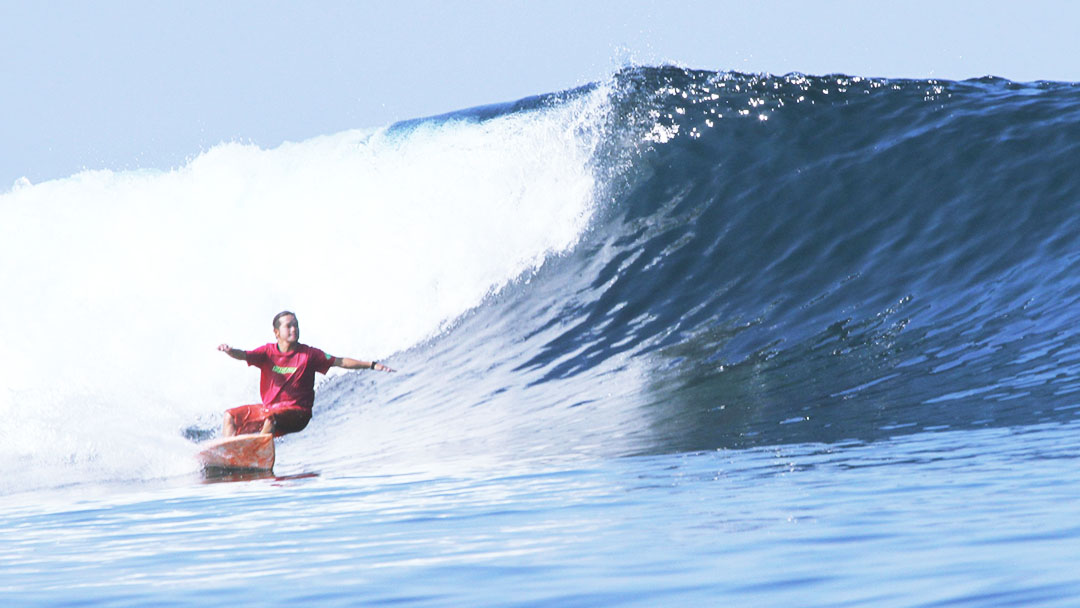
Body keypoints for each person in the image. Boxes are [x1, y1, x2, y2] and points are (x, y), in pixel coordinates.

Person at [217, 310, 394, 437]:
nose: (294, 329)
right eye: (289, 326)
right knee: (230, 416)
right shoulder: (267, 353)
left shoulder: (309, 354)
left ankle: (254, 454)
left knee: (270, 418)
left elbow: (339, 361)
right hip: (270, 410)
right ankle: (230, 454)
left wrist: (371, 365)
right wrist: (229, 351)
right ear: (276, 332)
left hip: (298, 413)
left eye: (296, 325)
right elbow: (243, 355)